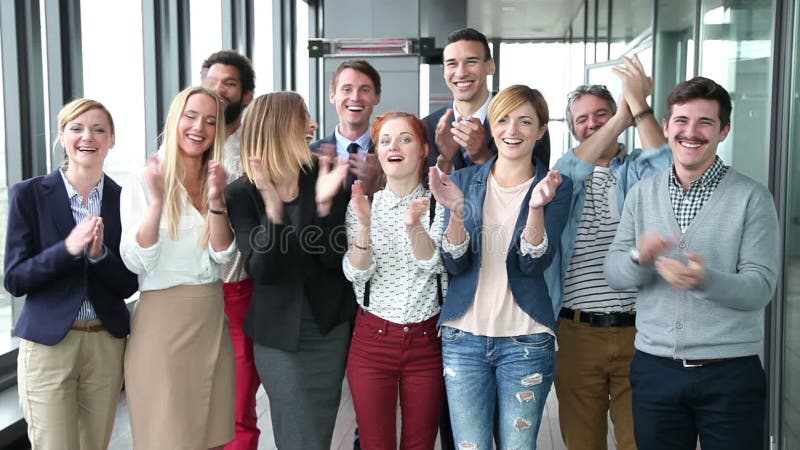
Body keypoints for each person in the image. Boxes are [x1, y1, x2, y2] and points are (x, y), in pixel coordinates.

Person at [604, 77, 780, 450]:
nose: (691, 132)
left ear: (724, 131)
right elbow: (614, 273)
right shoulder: (641, 194)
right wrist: (640, 257)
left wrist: (705, 280)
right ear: (666, 126)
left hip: (730, 374)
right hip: (656, 370)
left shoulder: (753, 198)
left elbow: (760, 288)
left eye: (705, 123)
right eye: (682, 121)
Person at [429, 84, 572, 449]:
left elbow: (532, 263)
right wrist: (457, 213)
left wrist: (537, 208)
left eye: (525, 122)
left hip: (526, 338)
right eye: (504, 119)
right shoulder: (462, 182)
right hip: (464, 338)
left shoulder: (554, 185)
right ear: (492, 126)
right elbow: (454, 263)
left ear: (541, 130)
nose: (512, 130)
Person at [550, 55, 670, 450]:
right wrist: (624, 112)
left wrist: (641, 107)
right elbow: (571, 169)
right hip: (578, 332)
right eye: (582, 119)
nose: (592, 123)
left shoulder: (636, 169)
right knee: (583, 442)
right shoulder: (563, 176)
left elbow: (668, 169)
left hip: (641, 330)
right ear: (572, 129)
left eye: (601, 114)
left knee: (641, 441)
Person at [4, 98, 138, 450]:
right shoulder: (28, 195)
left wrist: (99, 256)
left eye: (98, 129)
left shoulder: (122, 200)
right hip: (49, 346)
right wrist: (66, 250)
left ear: (111, 139)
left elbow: (128, 283)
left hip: (106, 344)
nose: (87, 137)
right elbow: (15, 279)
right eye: (76, 128)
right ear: (62, 136)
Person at [224, 91, 353, 450]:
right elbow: (263, 268)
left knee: (319, 430)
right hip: (278, 334)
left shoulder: (324, 177)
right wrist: (272, 205)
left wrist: (325, 205)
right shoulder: (242, 192)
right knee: (297, 432)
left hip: (329, 326)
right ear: (280, 127)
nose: (312, 125)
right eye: (304, 118)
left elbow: (332, 257)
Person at [120, 86, 236, 450]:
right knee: (165, 439)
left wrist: (217, 200)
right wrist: (156, 204)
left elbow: (224, 256)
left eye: (210, 121)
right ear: (175, 120)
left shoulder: (219, 179)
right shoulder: (144, 179)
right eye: (191, 116)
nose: (198, 127)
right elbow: (135, 260)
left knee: (213, 437)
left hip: (211, 319)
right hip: (162, 325)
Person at [343, 111, 446, 450]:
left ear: (423, 149)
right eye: (385, 141)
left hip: (427, 340)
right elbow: (357, 273)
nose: (394, 146)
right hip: (372, 340)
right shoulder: (363, 205)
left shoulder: (440, 204)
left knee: (420, 443)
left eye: (405, 139)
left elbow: (435, 265)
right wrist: (365, 227)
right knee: (375, 443)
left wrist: (414, 224)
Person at [201, 49, 260, 450]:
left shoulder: (256, 155)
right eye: (211, 83)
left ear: (247, 95)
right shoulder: (176, 148)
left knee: (237, 411)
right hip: (184, 294)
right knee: (189, 410)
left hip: (236, 292)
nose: (218, 92)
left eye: (229, 84)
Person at [423, 28, 550, 173]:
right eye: (452, 64)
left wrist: (482, 156)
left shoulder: (528, 117)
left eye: (471, 62)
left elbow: (539, 183)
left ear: (490, 66)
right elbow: (421, 188)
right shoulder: (426, 127)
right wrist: (445, 161)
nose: (461, 73)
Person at [311, 59, 382, 195]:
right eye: (347, 89)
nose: (355, 97)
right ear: (332, 96)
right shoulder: (312, 155)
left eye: (364, 90)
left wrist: (376, 184)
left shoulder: (390, 154)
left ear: (377, 97)